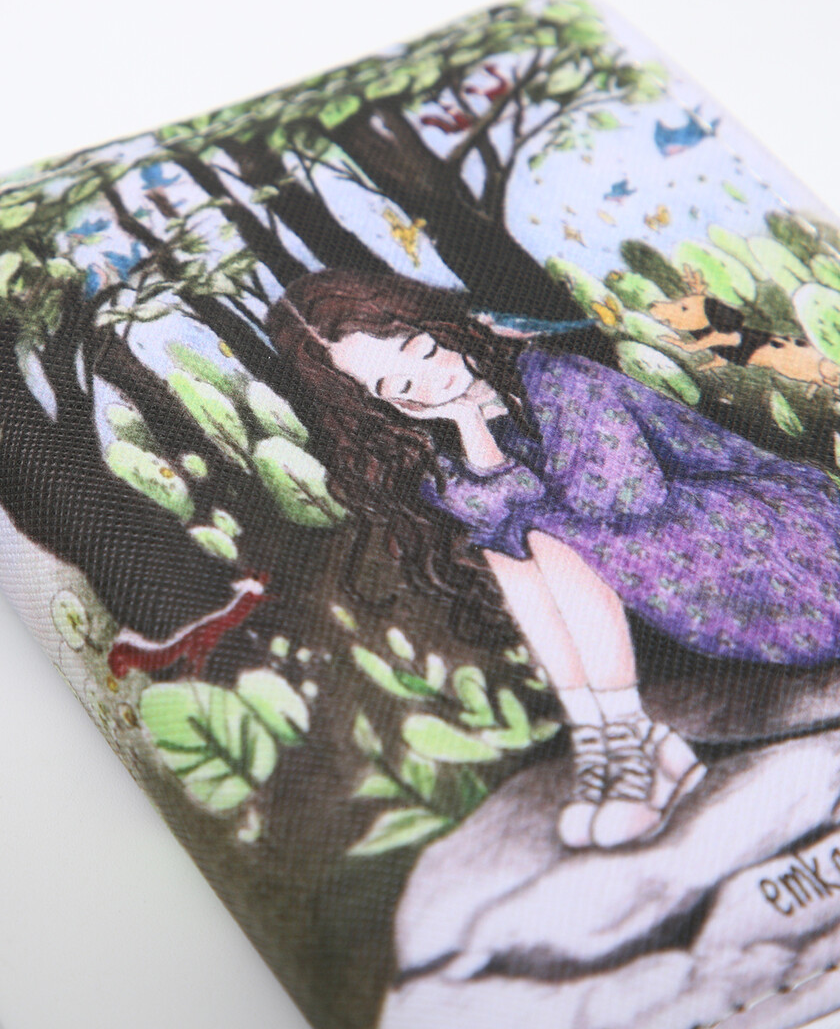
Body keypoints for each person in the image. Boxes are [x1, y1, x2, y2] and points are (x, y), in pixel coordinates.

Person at [266, 269, 840, 850]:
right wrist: (470, 425)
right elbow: (494, 520)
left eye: (423, 348)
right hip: (662, 548)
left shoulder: (556, 376)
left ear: (437, 321)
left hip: (767, 538)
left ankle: (627, 736)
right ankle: (604, 735)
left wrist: (519, 496)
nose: (431, 379)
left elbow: (622, 500)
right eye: (398, 385)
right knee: (511, 543)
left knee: (540, 534)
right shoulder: (444, 435)